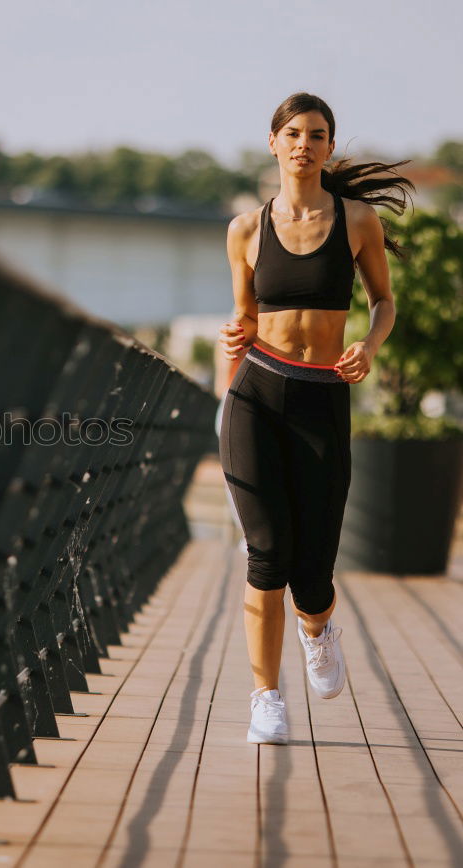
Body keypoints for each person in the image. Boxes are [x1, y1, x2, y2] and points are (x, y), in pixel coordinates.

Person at [216, 92, 413, 745]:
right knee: (265, 555)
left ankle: (317, 629)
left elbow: (383, 301)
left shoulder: (357, 220)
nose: (304, 142)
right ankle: (265, 697)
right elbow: (244, 320)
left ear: (329, 147)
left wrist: (370, 344)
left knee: (311, 573)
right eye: (293, 132)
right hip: (257, 394)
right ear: (273, 143)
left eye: (317, 134)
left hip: (322, 396)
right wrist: (228, 354)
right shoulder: (245, 229)